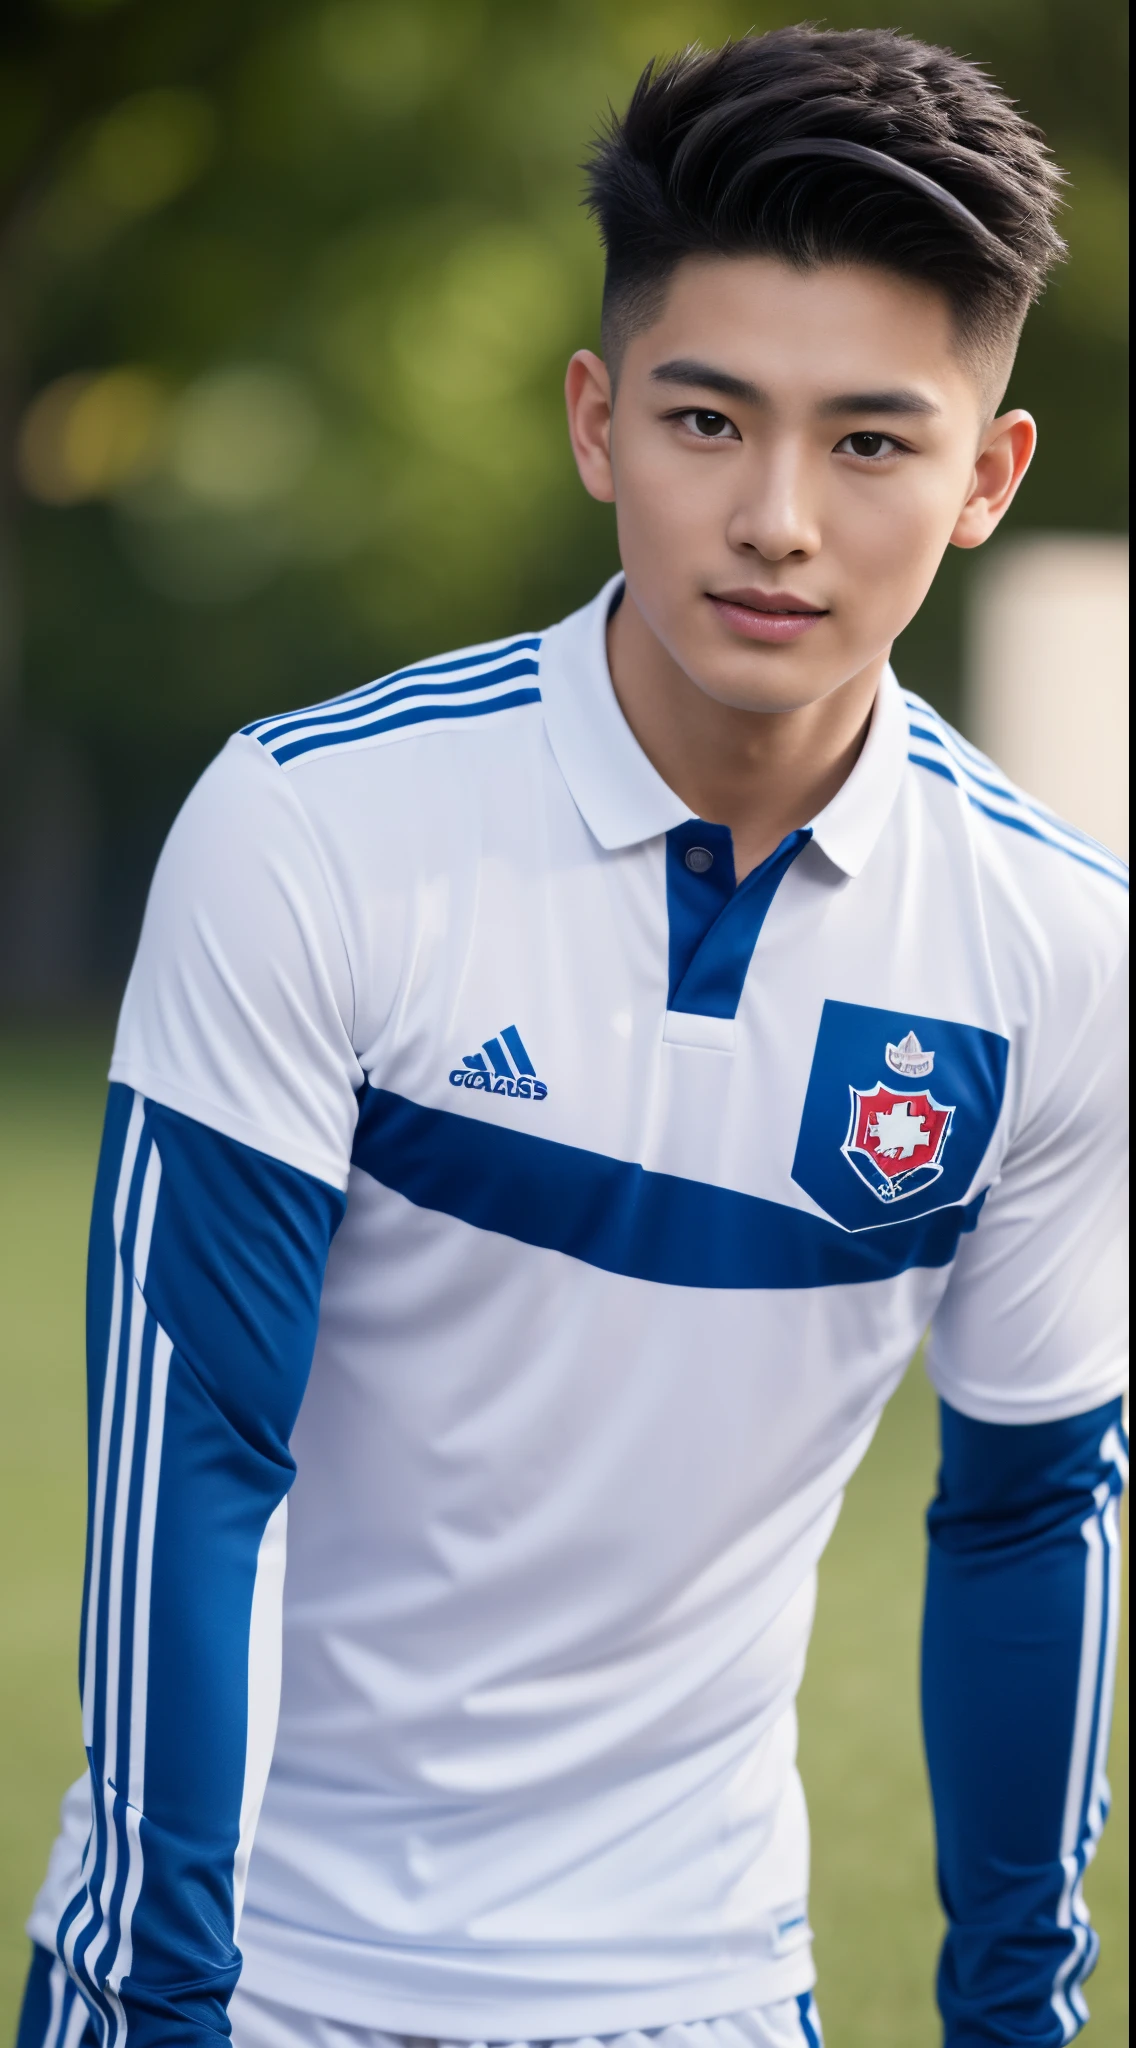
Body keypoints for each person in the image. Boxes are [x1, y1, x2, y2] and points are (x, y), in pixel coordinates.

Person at [17, 25, 1127, 2048]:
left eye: (870, 442)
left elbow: (1029, 1511)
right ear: (598, 422)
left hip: (692, 1988)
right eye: (710, 421)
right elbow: (188, 1461)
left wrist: (1015, 2023)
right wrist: (167, 2002)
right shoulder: (313, 832)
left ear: (986, 477)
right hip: (261, 1980)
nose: (778, 517)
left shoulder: (1055, 950)